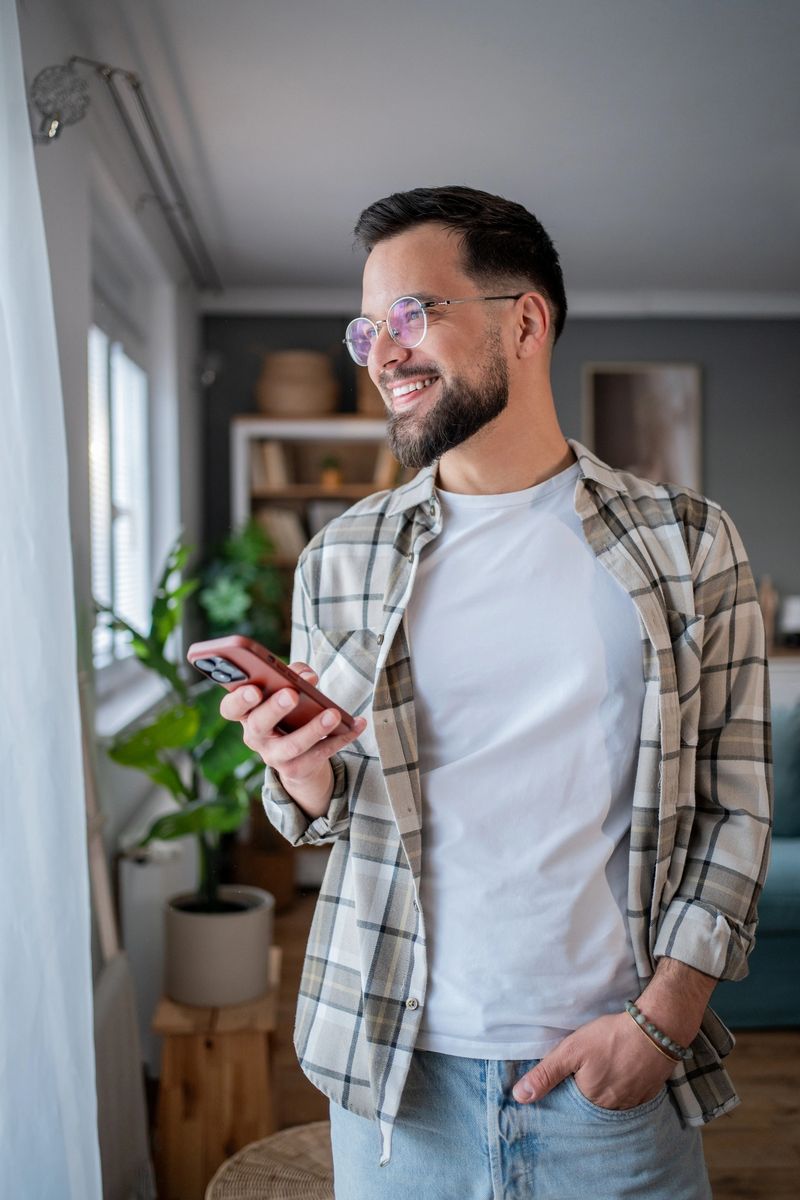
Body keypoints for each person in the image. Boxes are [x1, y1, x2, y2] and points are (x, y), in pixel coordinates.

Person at [220, 186, 772, 1199]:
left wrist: (663, 1024)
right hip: (394, 1081)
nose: (381, 354)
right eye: (365, 329)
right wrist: (296, 774)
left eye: (411, 314)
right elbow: (323, 811)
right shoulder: (341, 557)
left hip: (614, 1077)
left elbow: (733, 804)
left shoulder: (688, 542)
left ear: (524, 319)